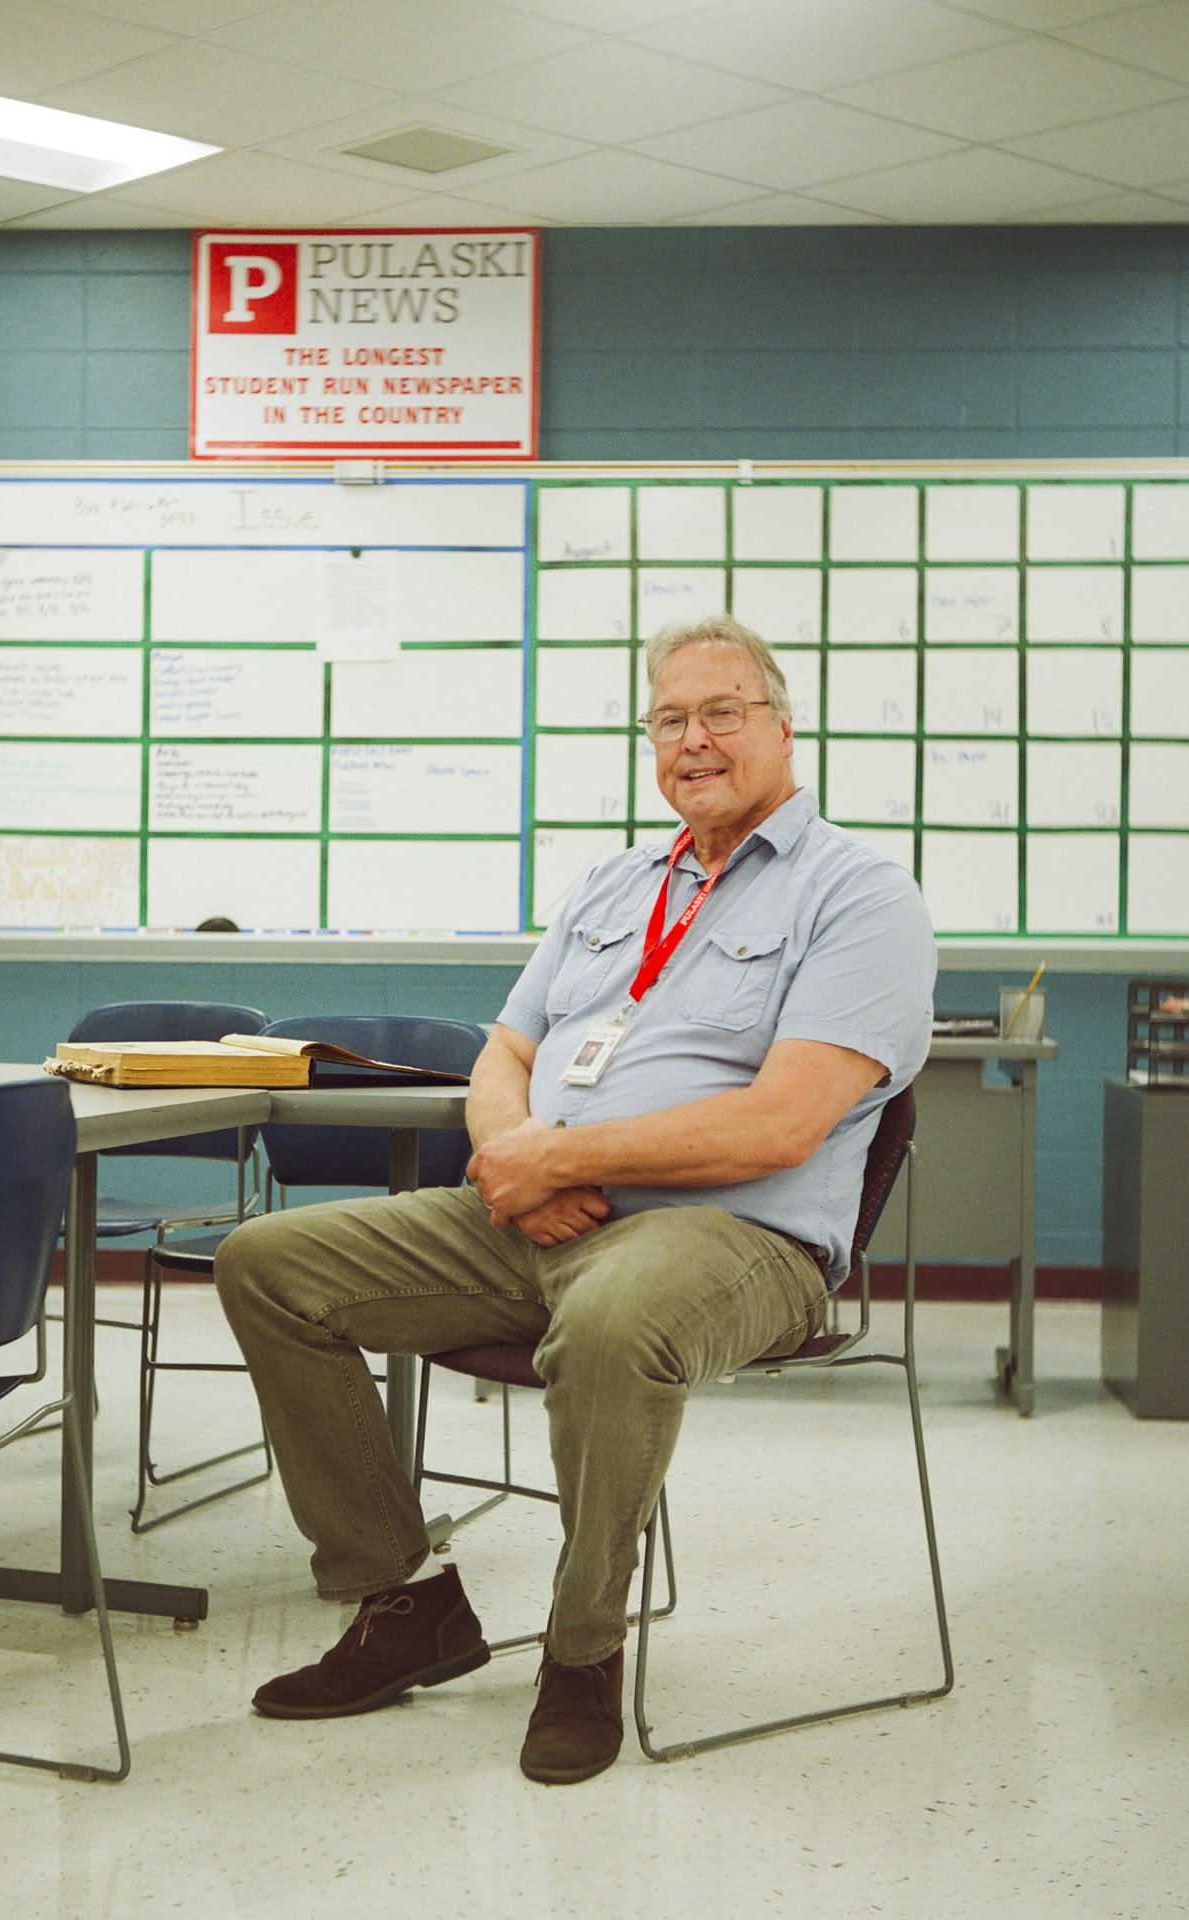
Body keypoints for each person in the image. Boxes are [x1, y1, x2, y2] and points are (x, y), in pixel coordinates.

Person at [214, 612, 936, 1785]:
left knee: (609, 1325)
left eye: (721, 713)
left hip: (736, 1236)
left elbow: (784, 1122)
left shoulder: (860, 894)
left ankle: (583, 1650)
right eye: (668, 719)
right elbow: (505, 1055)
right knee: (267, 1264)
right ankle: (405, 1603)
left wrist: (562, 1163)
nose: (693, 740)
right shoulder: (614, 883)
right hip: (539, 1213)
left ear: (783, 727)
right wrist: (518, 1160)